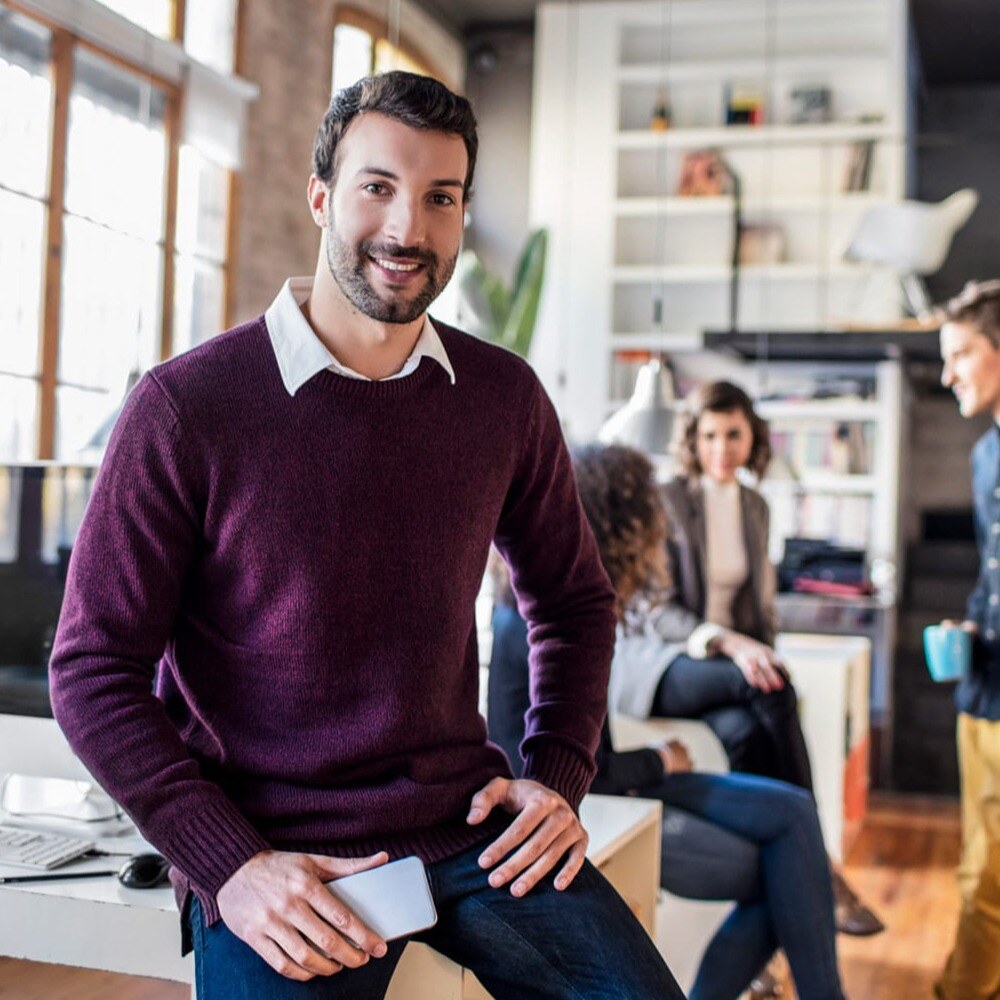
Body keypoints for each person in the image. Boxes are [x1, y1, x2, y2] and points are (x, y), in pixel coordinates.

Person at [48, 72, 682, 1000]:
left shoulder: (502, 398)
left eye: (441, 198)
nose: (407, 230)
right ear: (320, 196)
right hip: (279, 851)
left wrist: (556, 774)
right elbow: (91, 669)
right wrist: (228, 864)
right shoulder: (187, 407)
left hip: (470, 828)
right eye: (377, 187)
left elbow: (576, 601)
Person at [488, 444, 847, 1000]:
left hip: (621, 785)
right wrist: (660, 758)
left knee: (795, 812)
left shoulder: (577, 607)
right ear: (625, 527)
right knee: (787, 878)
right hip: (601, 800)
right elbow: (582, 773)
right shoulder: (538, 617)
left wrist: (656, 760)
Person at [608, 379, 883, 937]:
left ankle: (776, 885)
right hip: (662, 661)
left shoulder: (756, 505)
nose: (721, 448)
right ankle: (820, 866)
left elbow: (760, 608)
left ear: (751, 436)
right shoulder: (669, 498)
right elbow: (654, 607)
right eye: (709, 434)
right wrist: (730, 645)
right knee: (770, 689)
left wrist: (756, 651)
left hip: (726, 673)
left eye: (733, 434)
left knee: (747, 733)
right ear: (693, 437)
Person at [936, 279, 1000, 1000]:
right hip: (983, 687)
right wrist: (973, 621)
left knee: (989, 875)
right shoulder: (986, 456)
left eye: (961, 354)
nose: (949, 372)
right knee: (979, 868)